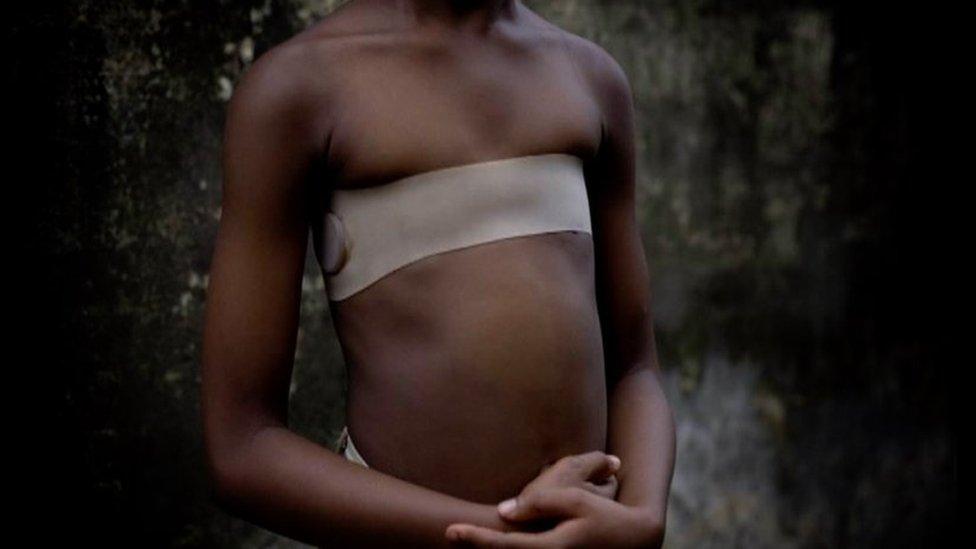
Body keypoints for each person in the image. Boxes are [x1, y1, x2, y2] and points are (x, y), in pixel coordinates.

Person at [200, 0, 675, 547]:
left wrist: (640, 517)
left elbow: (636, 369)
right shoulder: (300, 86)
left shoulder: (589, 77)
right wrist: (509, 534)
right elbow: (242, 447)